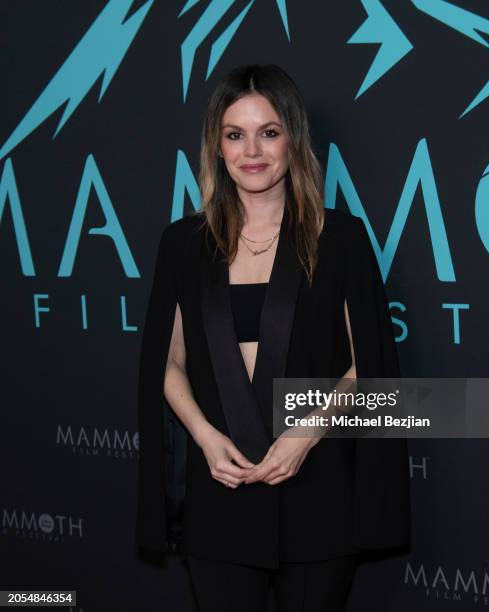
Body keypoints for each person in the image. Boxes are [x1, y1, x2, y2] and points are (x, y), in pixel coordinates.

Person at [135, 64, 411, 612]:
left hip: (316, 488)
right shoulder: (183, 243)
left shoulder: (341, 239)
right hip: (220, 488)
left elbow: (370, 365)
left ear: (293, 139)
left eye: (269, 131)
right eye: (235, 134)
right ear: (217, 146)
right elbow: (165, 361)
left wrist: (304, 436)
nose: (251, 151)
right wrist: (205, 438)